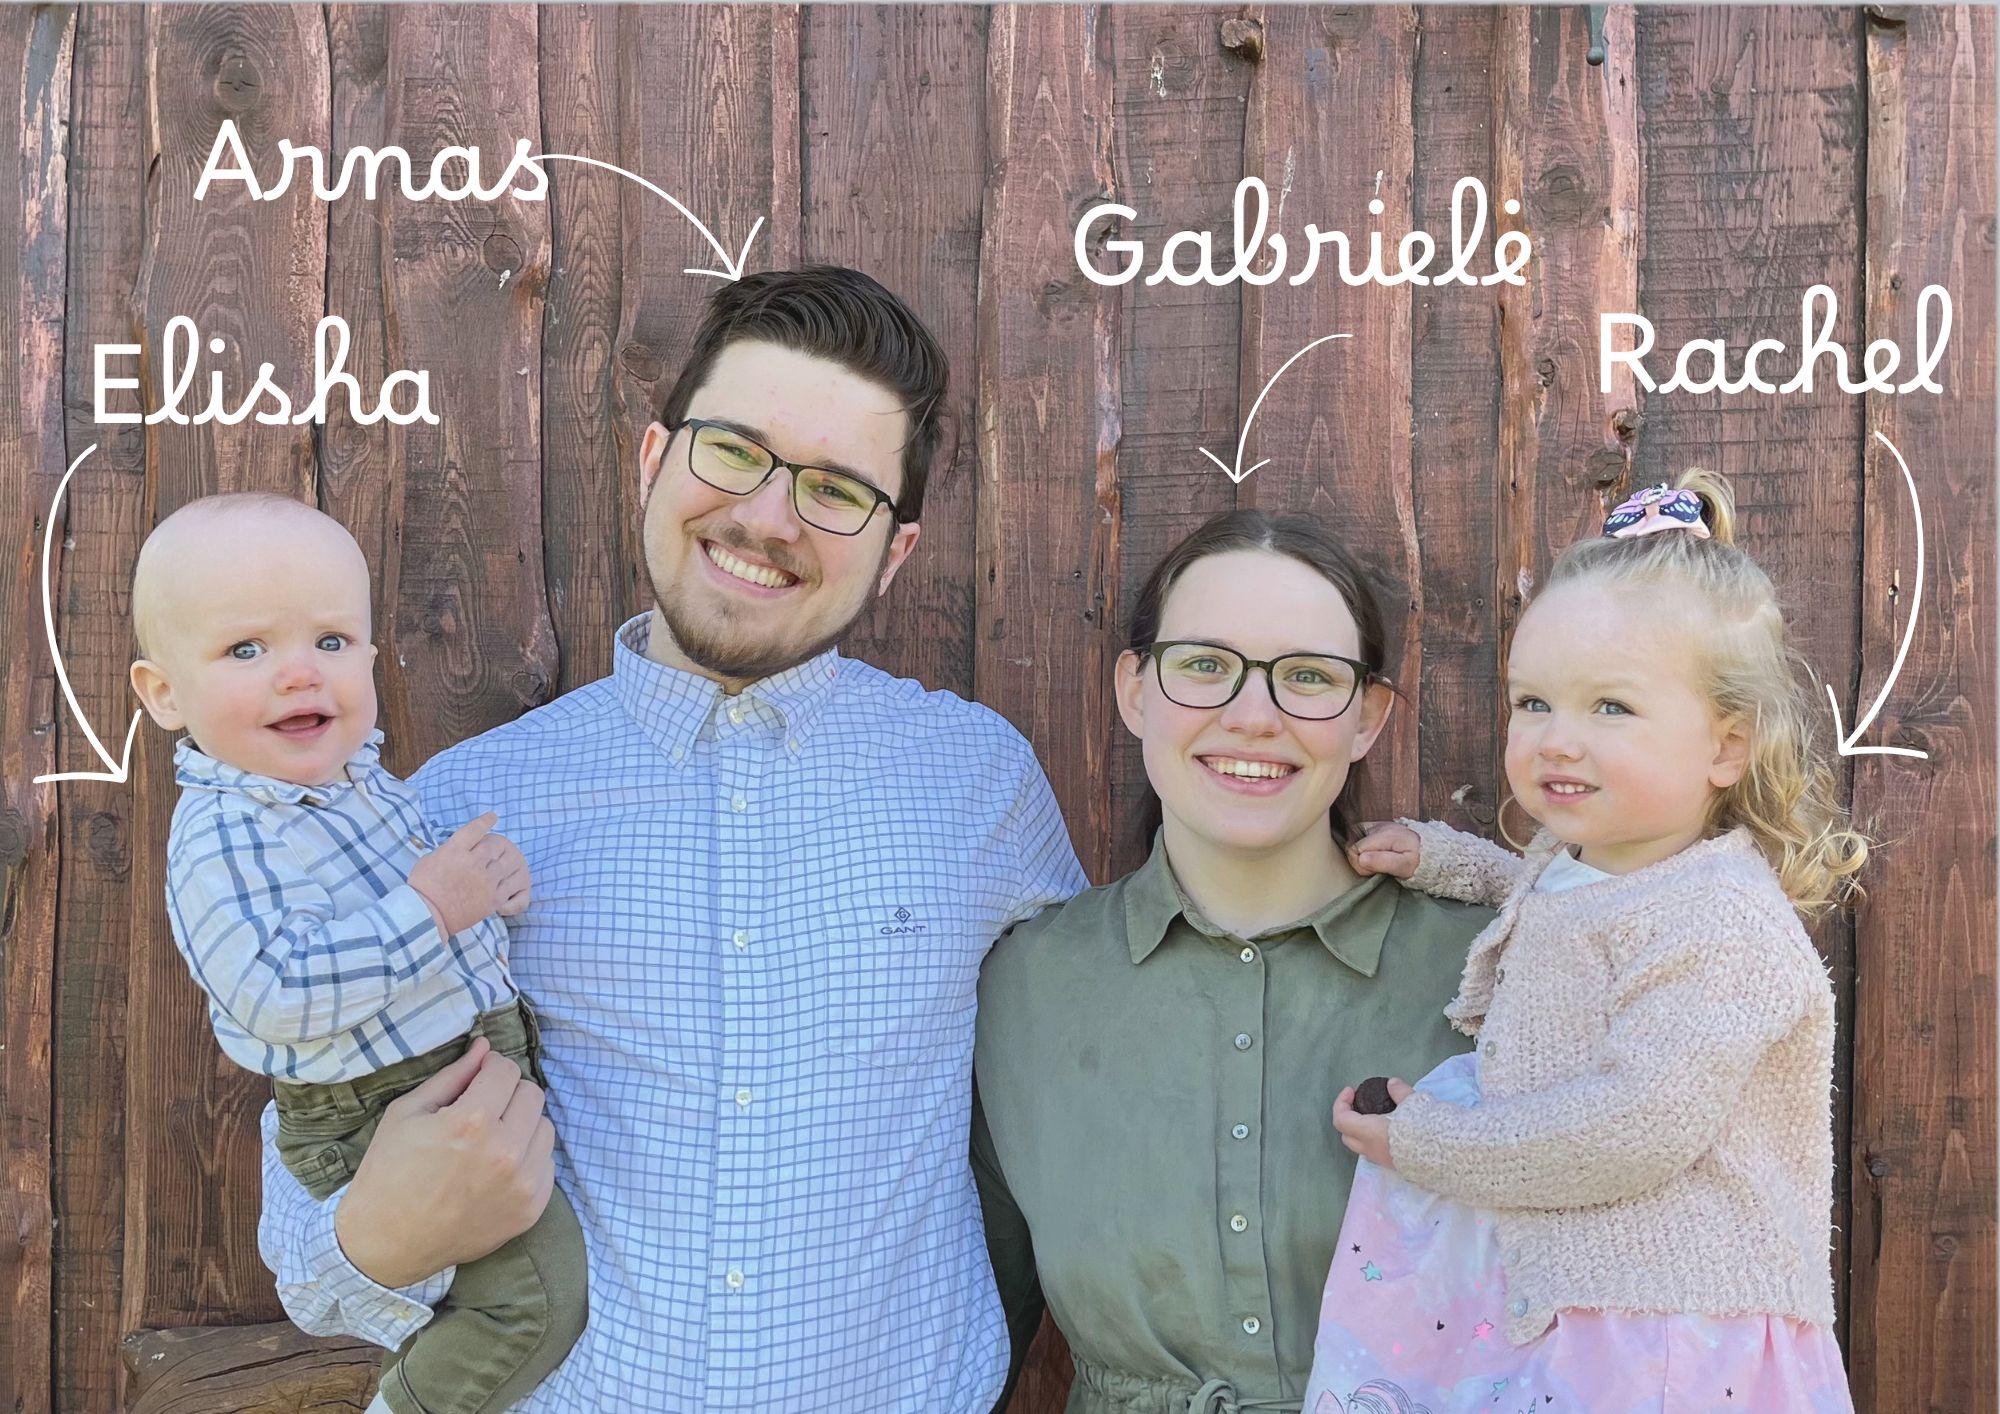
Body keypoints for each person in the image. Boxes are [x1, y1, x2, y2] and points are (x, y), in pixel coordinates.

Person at [256, 267, 1085, 1411]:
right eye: (733, 450)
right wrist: (379, 1232)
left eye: (836, 489)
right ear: (655, 460)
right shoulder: (463, 807)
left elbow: (1093, 1049)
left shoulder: (978, 783)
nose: (769, 516)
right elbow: (311, 1207)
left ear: (894, 553)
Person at [1315, 471, 1861, 1411]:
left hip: (1667, 1331)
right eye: (1534, 703)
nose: (1557, 740)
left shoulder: (1724, 926)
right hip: (1593, 1299)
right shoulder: (1603, 858)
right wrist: (1445, 860)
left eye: (1611, 707)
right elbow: (1556, 900)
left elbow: (1632, 1129)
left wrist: (1431, 1145)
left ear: (1726, 746)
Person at [974, 511, 1493, 1414]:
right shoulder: (1027, 986)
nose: (1254, 717)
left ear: (1366, 717)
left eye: (1308, 676)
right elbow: (975, 1337)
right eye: (1205, 665)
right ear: (1136, 691)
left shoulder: (1488, 974)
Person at [129, 495, 585, 1414]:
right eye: (246, 649)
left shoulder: (363, 787)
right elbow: (278, 988)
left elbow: (438, 915)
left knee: (520, 1287)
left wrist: (487, 891)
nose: (300, 673)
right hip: (373, 1106)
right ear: (165, 693)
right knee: (529, 1306)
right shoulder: (226, 831)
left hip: (452, 1071)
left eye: (331, 641)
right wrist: (434, 907)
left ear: (371, 659)